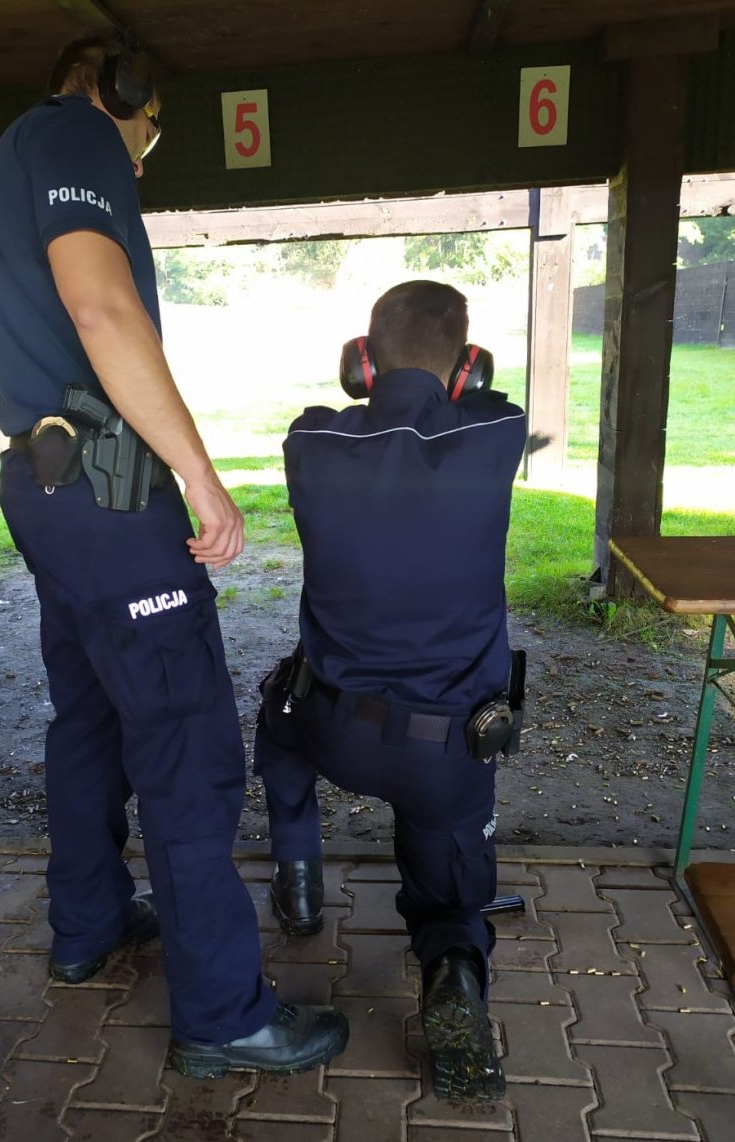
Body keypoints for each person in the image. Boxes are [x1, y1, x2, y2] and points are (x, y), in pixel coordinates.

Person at [0, 25, 347, 1077]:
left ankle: (88, 924)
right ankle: (224, 1012)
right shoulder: (79, 141)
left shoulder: (11, 156)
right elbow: (100, 304)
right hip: (105, 487)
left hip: (41, 485)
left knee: (88, 714)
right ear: (122, 94)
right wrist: (197, 471)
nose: (146, 146)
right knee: (183, 743)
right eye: (151, 126)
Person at [253, 280, 526, 1101]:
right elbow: (492, 401)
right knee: (448, 880)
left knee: (276, 716)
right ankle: (451, 970)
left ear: (360, 363)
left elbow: (337, 418)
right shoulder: (496, 431)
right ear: (468, 369)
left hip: (333, 728)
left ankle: (300, 884)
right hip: (446, 745)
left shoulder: (313, 443)